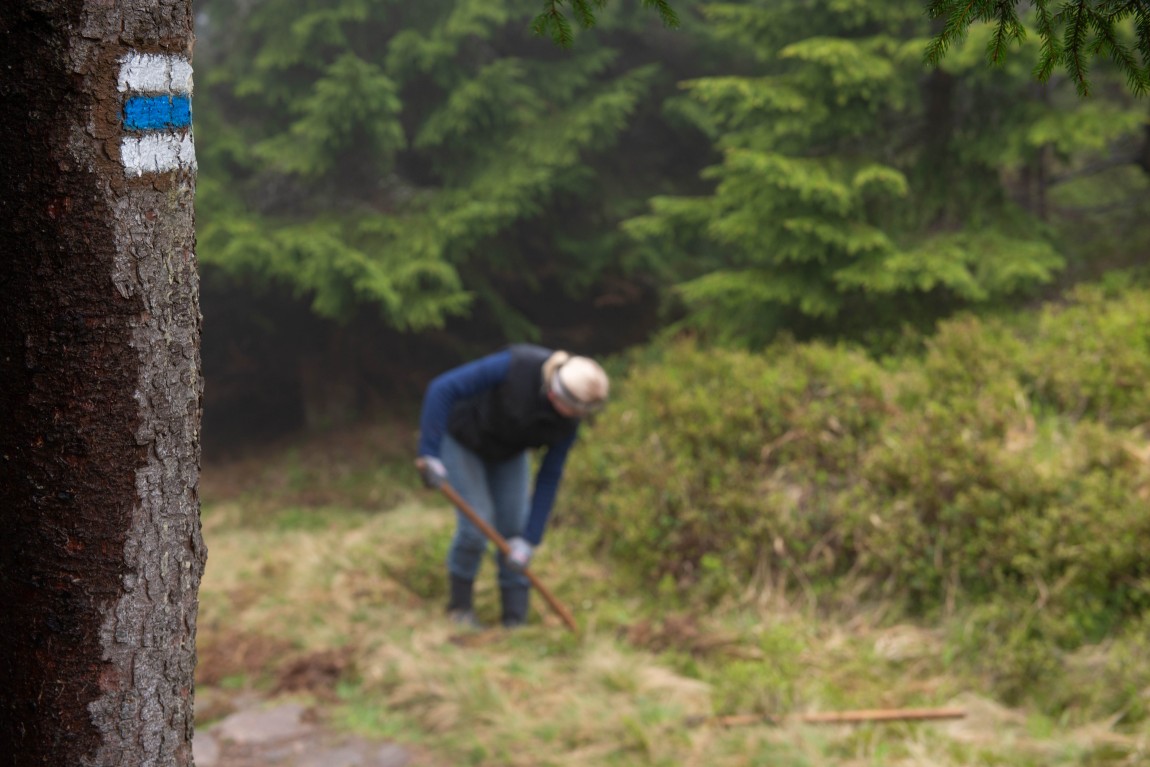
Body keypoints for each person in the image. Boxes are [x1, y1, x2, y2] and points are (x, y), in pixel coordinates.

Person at [416, 344, 609, 628]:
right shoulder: (517, 366)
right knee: (475, 527)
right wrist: (429, 453)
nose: (577, 416)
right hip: (463, 439)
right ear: (557, 393)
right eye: (575, 408)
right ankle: (460, 609)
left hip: (508, 454)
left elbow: (550, 475)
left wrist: (530, 539)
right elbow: (442, 389)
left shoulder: (568, 422)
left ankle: (515, 620)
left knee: (514, 534)